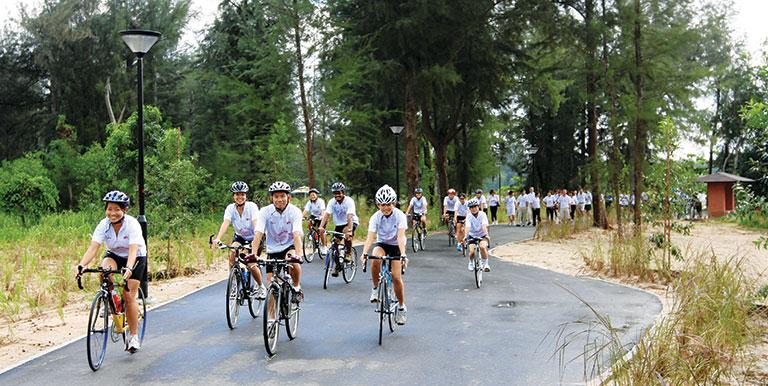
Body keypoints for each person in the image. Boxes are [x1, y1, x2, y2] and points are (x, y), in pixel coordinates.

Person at [76, 191, 147, 353]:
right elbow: (94, 247)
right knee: (104, 269)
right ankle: (110, 300)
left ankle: (134, 336)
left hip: (135, 257)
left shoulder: (132, 224)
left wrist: (129, 268)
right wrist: (81, 265)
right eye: (109, 209)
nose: (112, 213)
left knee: (129, 296)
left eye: (117, 209)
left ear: (125, 210)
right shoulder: (103, 225)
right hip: (114, 254)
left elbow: (133, 249)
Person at [361, 185, 408, 325]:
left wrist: (403, 254)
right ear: (378, 204)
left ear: (393, 203)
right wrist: (364, 253)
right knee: (375, 257)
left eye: (388, 204)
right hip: (382, 244)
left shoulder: (400, 216)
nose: (386, 208)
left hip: (396, 245)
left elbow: (400, 237)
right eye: (382, 204)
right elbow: (370, 237)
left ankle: (401, 307)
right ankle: (375, 289)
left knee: (396, 277)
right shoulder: (375, 217)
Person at [211, 181, 266, 299]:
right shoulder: (230, 208)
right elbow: (226, 223)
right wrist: (217, 239)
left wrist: (255, 242)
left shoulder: (251, 206)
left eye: (242, 194)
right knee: (232, 252)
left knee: (250, 262)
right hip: (240, 237)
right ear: (233, 196)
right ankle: (234, 283)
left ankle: (260, 286)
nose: (240, 197)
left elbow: (256, 224)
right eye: (237, 194)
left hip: (255, 237)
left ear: (246, 196)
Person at [252, 181, 304, 303]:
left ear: (288, 197)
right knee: (271, 286)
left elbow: (296, 234)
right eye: (276, 196)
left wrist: (299, 254)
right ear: (272, 198)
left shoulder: (295, 211)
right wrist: (254, 254)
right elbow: (258, 233)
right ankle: (270, 320)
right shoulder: (265, 211)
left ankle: (296, 288)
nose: (279, 199)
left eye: (283, 196)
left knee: (293, 260)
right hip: (272, 249)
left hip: (289, 245)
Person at [319, 182, 359, 276]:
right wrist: (321, 226)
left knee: (346, 235)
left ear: (343, 192)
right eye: (335, 193)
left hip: (351, 222)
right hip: (339, 224)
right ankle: (338, 266)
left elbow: (349, 216)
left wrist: (349, 230)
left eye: (339, 193)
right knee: (334, 244)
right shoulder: (332, 202)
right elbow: (326, 214)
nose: (337, 195)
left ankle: (348, 253)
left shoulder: (349, 201)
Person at [465, 198, 491, 272]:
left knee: (482, 247)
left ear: (478, 207)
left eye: (475, 206)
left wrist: (486, 235)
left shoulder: (483, 214)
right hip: (472, 235)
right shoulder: (469, 216)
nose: (474, 209)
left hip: (482, 235)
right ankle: (471, 262)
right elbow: (468, 227)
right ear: (469, 209)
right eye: (471, 207)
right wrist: (465, 236)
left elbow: (484, 225)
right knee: (472, 252)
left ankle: (486, 264)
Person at [302, 187, 327, 254]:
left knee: (321, 231)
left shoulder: (321, 201)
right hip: (314, 216)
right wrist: (301, 217)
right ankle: (311, 235)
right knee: (310, 221)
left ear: (317, 195)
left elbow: (323, 210)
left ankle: (324, 247)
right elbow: (305, 211)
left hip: (322, 216)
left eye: (313, 195)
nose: (312, 196)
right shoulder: (309, 202)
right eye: (311, 195)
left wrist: (322, 217)